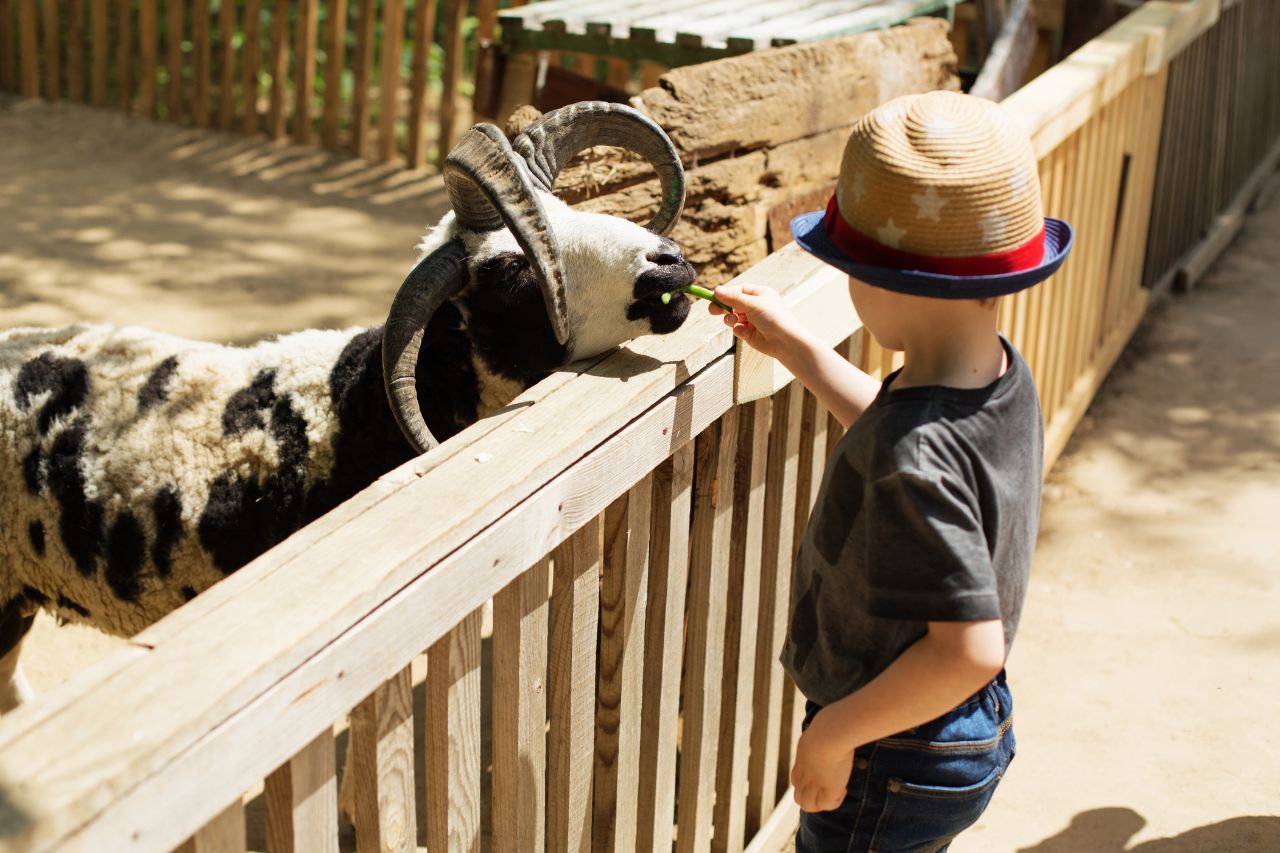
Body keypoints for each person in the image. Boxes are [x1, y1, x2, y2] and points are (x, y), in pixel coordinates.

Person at [708, 90, 1074, 852]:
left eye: (848, 267)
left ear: (893, 285)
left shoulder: (916, 451)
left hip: (891, 747)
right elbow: (900, 433)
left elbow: (968, 646)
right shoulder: (993, 374)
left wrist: (836, 733)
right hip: (959, 727)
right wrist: (800, 351)